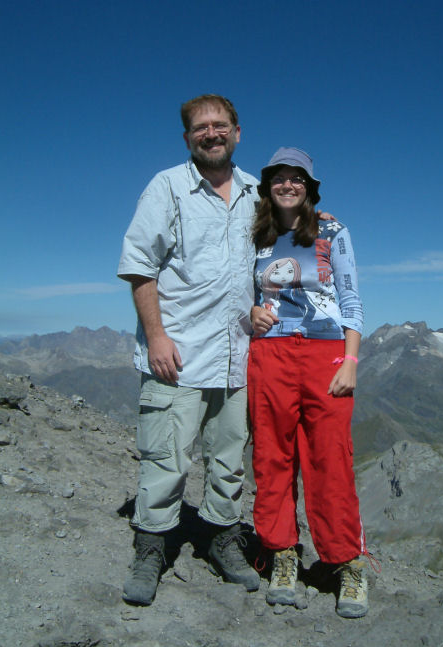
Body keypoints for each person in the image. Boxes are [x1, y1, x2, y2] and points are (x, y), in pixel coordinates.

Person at [117, 94, 261, 605]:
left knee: (228, 461)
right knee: (166, 458)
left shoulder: (257, 193)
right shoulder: (167, 187)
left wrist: (318, 218)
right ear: (187, 138)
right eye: (200, 128)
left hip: (237, 355)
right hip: (177, 355)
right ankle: (151, 547)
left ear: (237, 132)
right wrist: (156, 336)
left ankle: (222, 538)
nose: (211, 133)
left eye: (220, 125)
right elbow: (139, 264)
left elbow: (285, 250)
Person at [248, 147, 370, 618]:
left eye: (297, 177)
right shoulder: (255, 236)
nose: (288, 184)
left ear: (310, 187)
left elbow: (351, 296)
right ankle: (281, 554)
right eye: (279, 177)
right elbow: (240, 294)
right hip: (270, 354)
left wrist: (351, 359)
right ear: (268, 186)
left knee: (330, 459)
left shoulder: (333, 231)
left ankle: (346, 562)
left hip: (325, 354)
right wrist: (250, 313)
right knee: (271, 455)